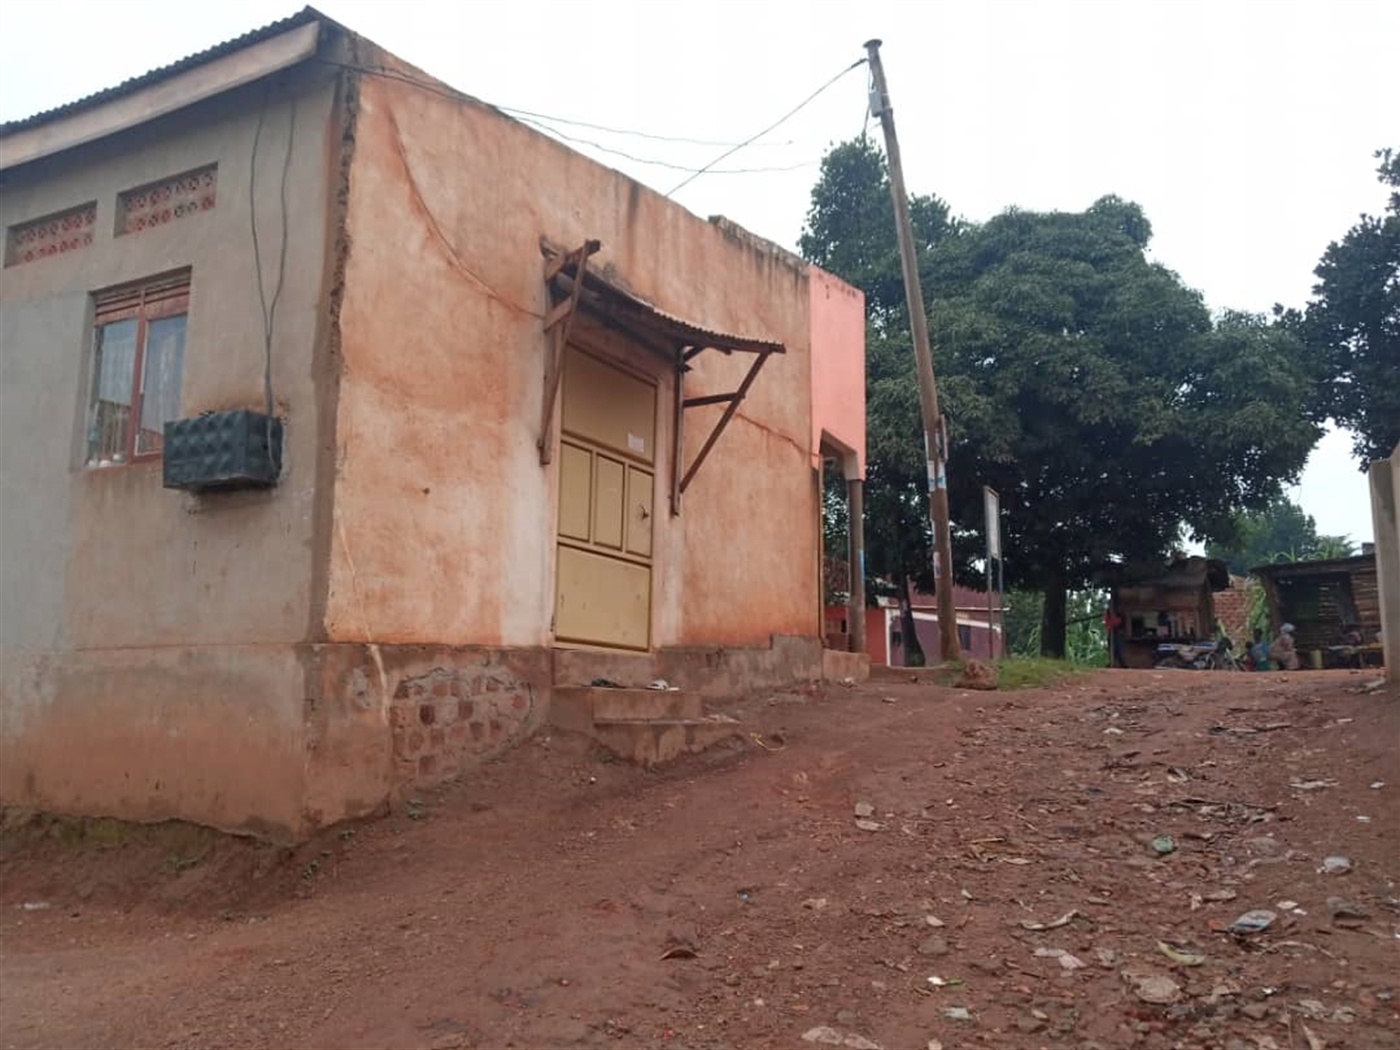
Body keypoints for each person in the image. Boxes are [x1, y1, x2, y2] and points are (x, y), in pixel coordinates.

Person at [1103, 602, 1126, 667]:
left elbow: (1117, 622)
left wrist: (1113, 615)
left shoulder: (1119, 612)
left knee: (1119, 649)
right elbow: (1106, 623)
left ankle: (1121, 664)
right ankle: (1111, 662)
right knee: (1110, 648)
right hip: (1111, 632)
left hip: (1117, 633)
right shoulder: (1107, 612)